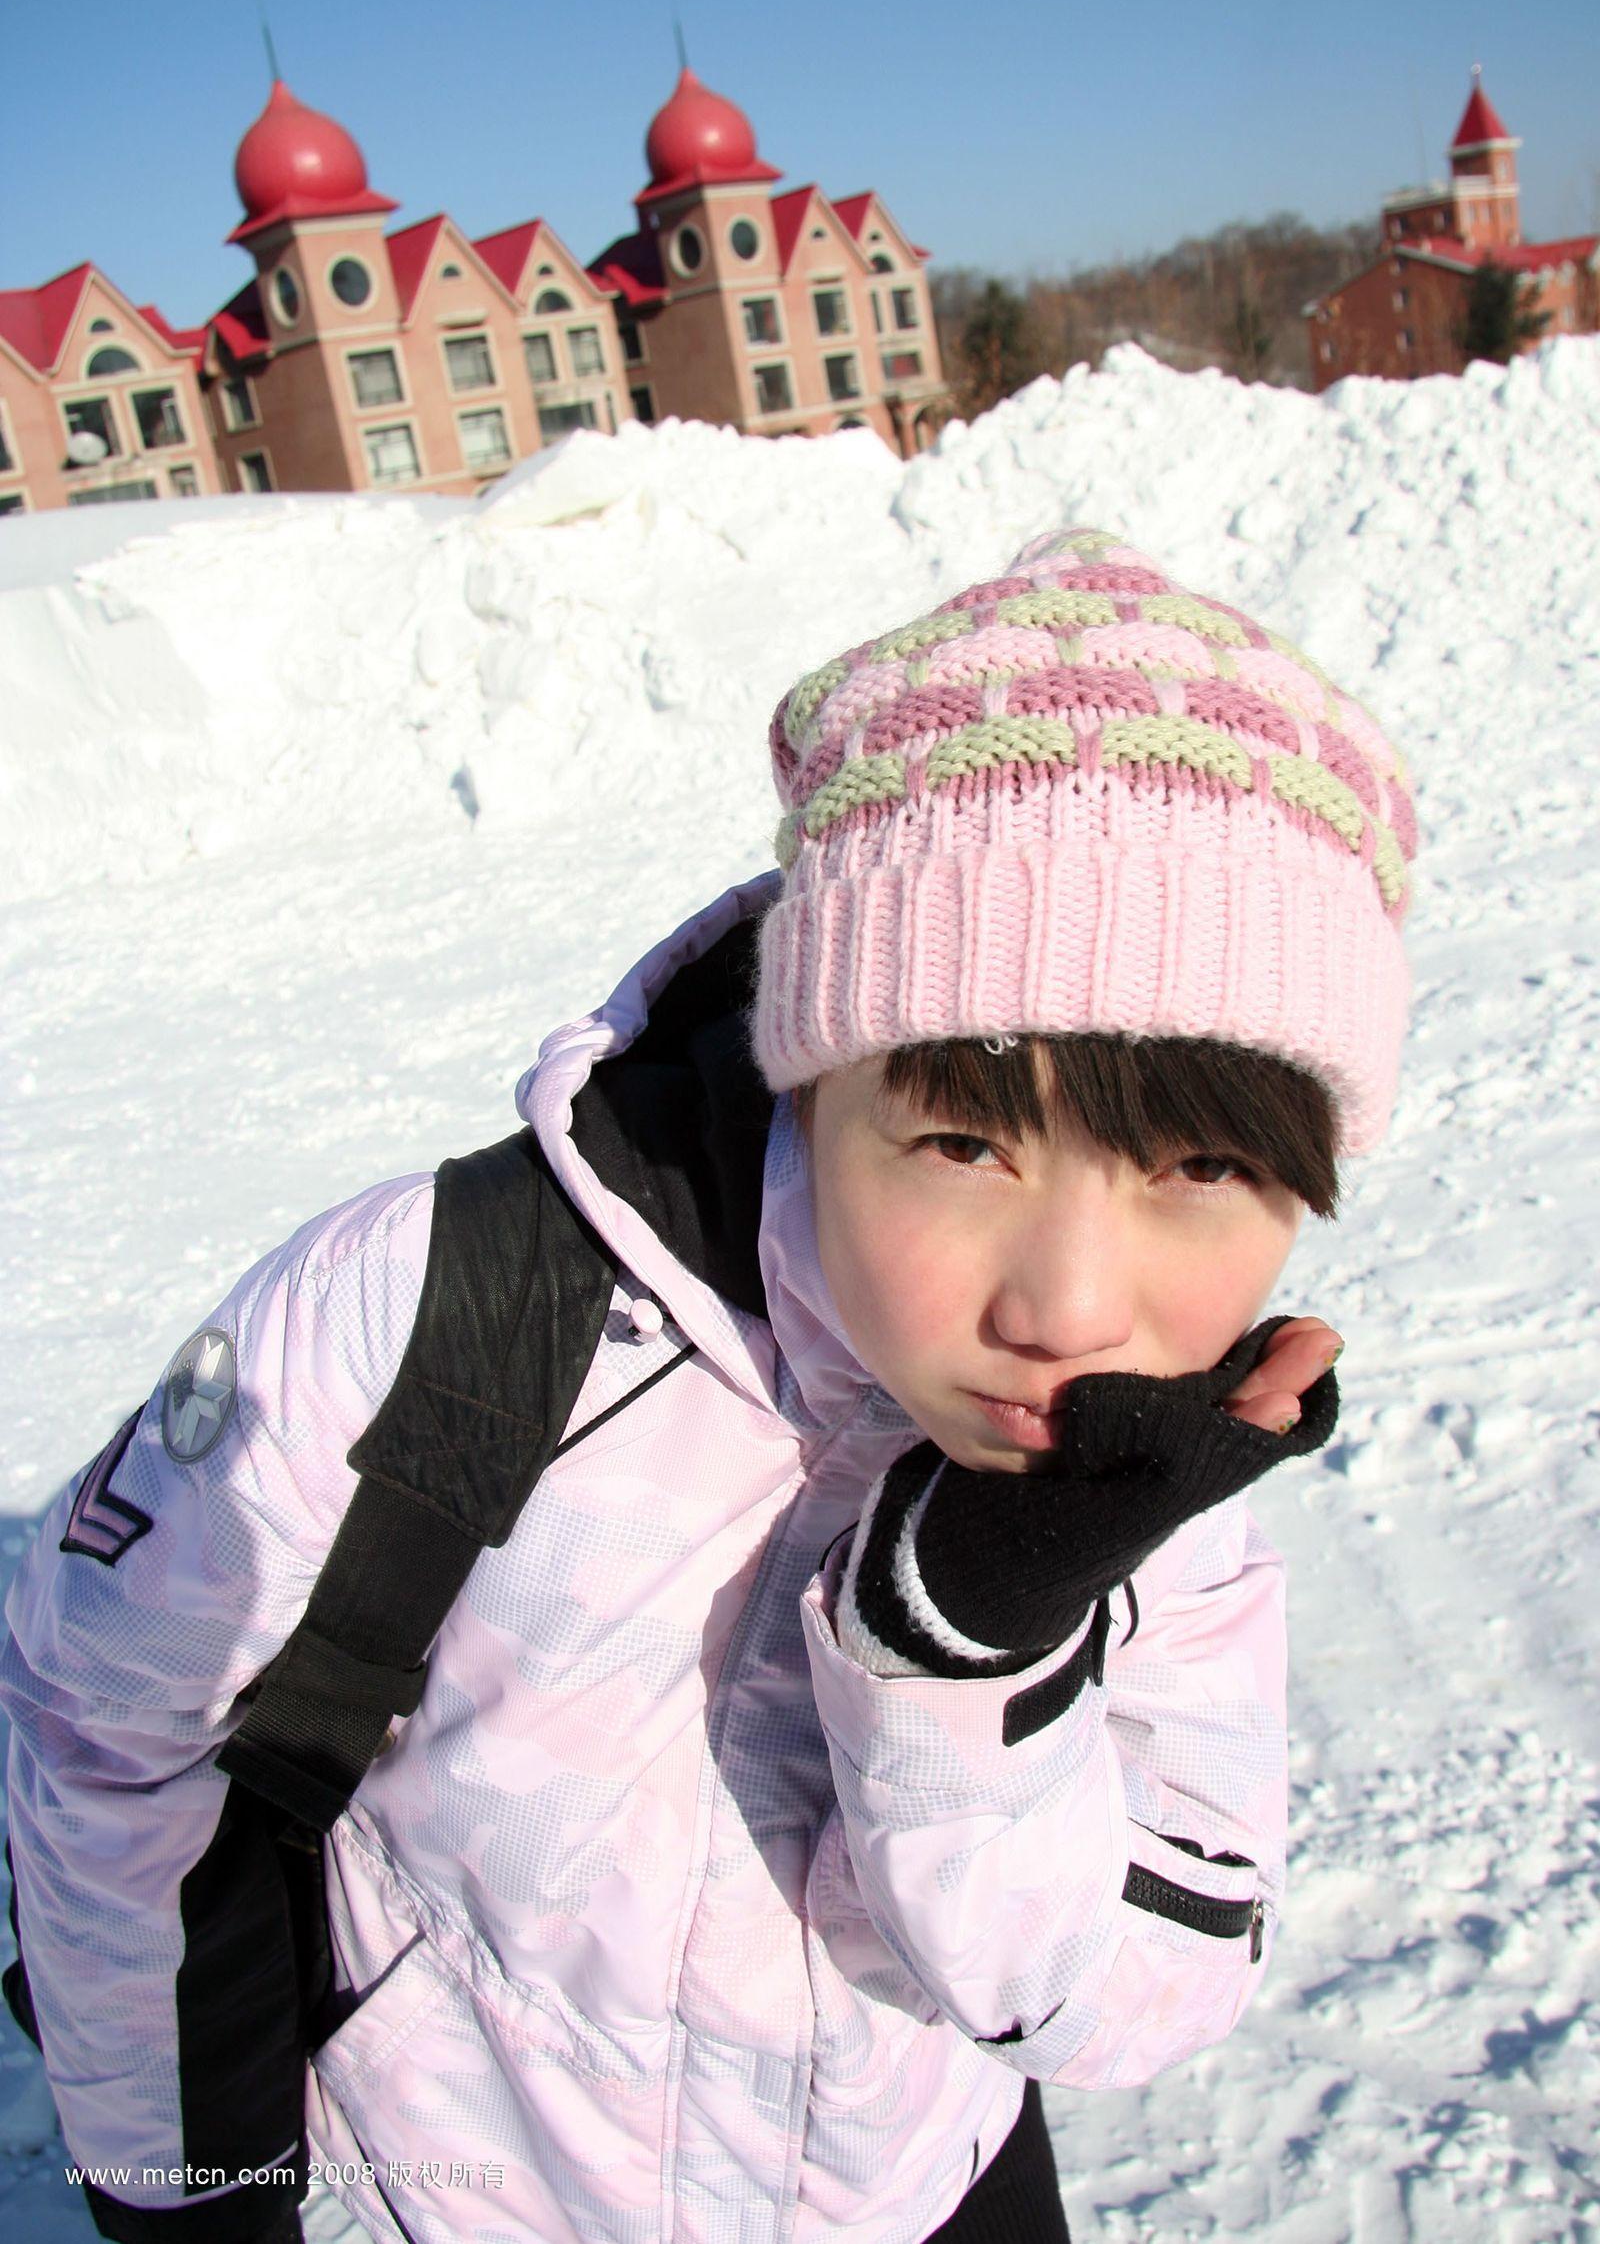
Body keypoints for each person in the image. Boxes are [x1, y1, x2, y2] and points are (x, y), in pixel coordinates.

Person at [1, 522, 1416, 2244]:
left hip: (919, 2195)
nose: (1067, 1309)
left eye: (1198, 1170)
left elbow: (1123, 2003)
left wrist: (975, 1656)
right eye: (964, 1141)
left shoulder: (1149, 1482)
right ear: (814, 1080)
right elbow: (107, 1737)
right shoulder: (436, 1306)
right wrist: (190, 2195)